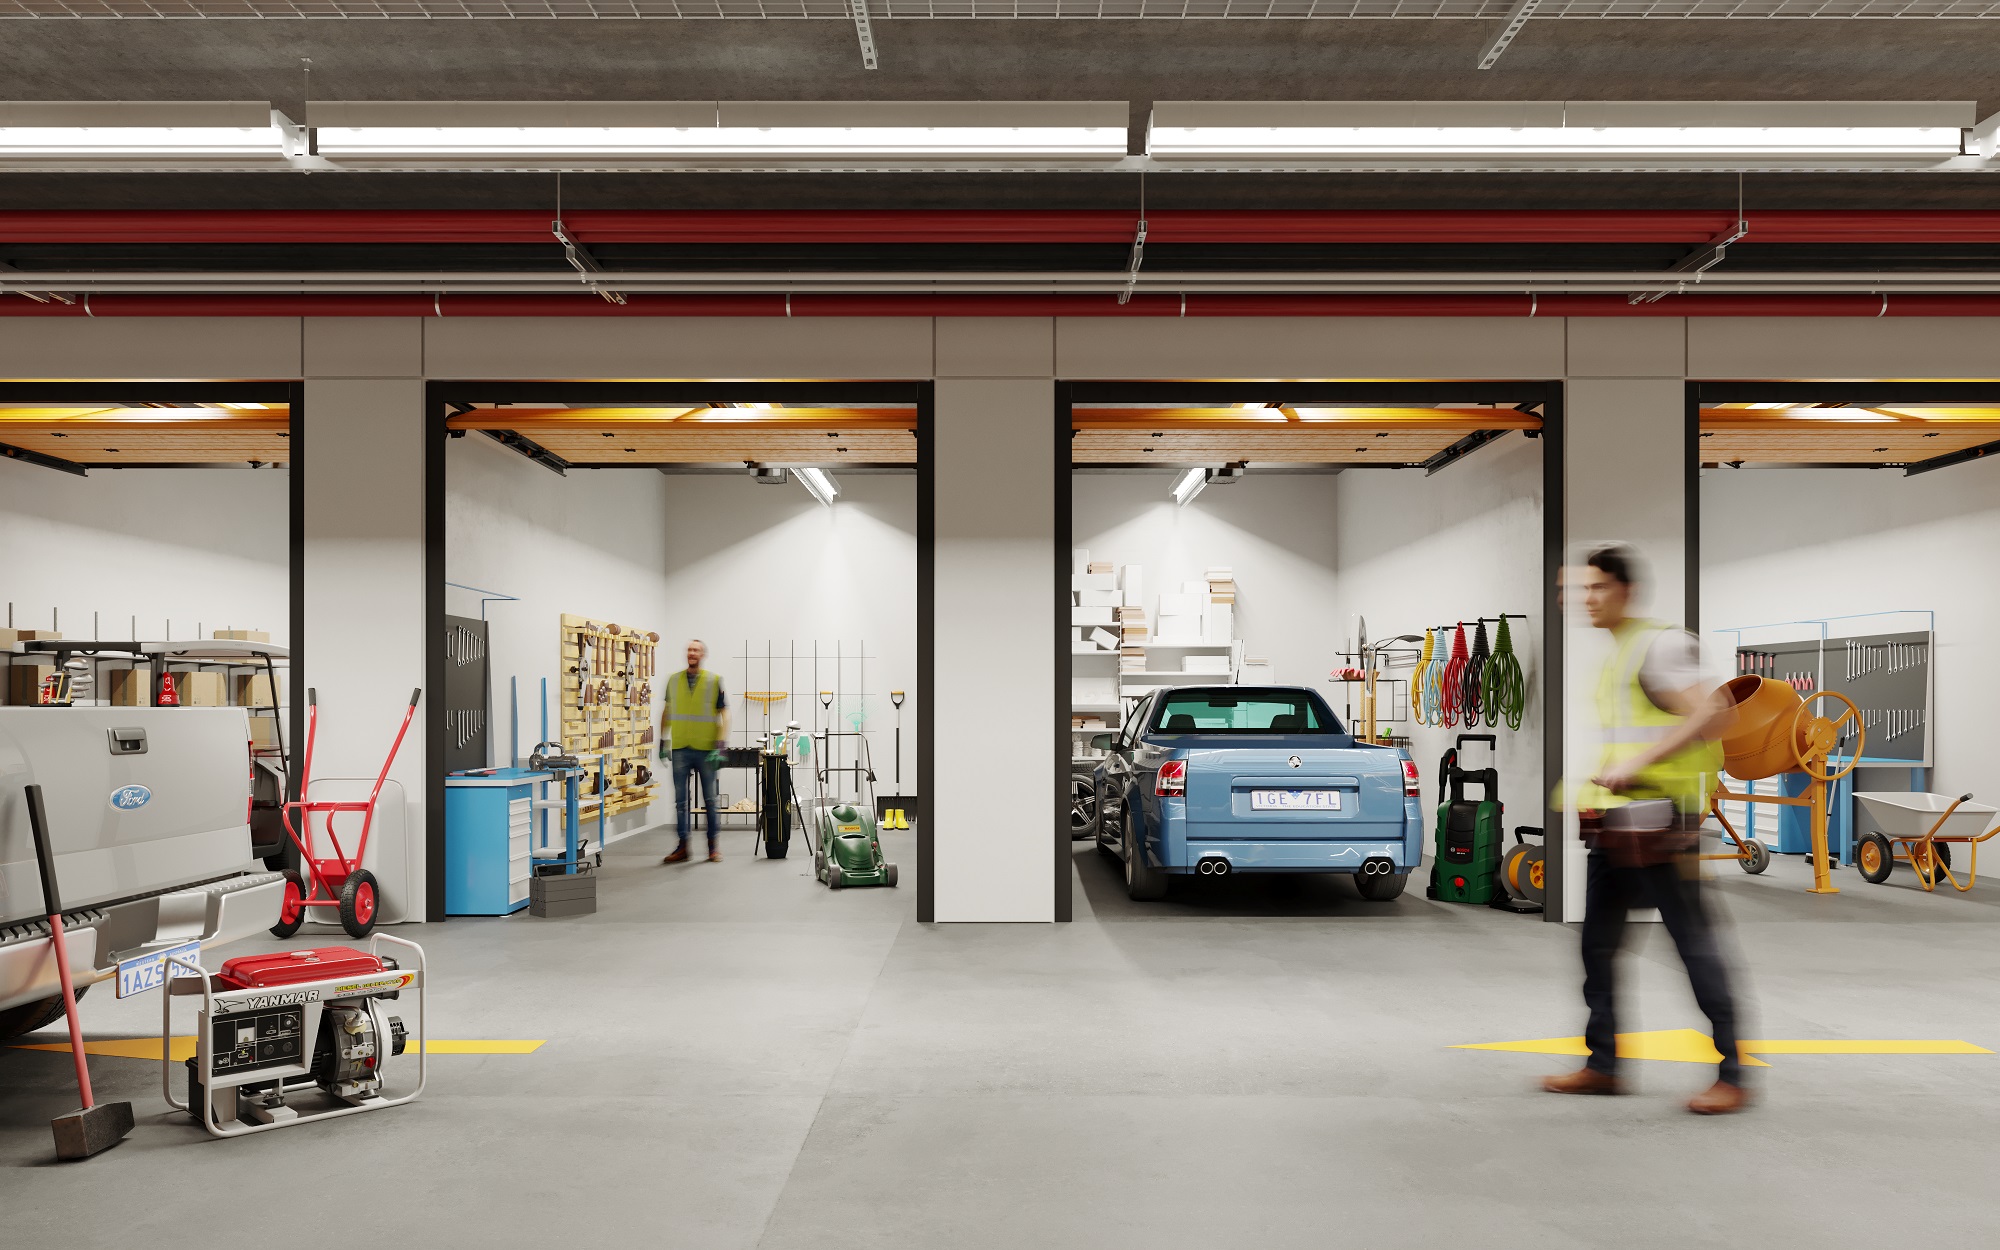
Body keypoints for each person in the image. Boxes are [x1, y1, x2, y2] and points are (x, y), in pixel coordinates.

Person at [1543, 544, 1751, 1115]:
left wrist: (1636, 766)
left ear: (1625, 591)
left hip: (1664, 823)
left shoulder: (1660, 644)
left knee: (1693, 944)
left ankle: (1733, 1074)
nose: (1583, 600)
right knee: (1596, 945)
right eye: (1576, 590)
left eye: (1595, 588)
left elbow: (1716, 712)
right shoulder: (1617, 653)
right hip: (1619, 822)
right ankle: (1603, 1065)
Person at [662, 638, 729, 865]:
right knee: (681, 801)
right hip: (680, 747)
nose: (692, 653)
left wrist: (720, 746)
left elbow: (724, 714)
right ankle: (683, 847)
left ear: (703, 655)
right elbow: (667, 710)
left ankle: (713, 848)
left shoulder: (714, 681)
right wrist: (663, 741)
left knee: (711, 800)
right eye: (689, 649)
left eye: (696, 650)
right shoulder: (673, 680)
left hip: (706, 749)